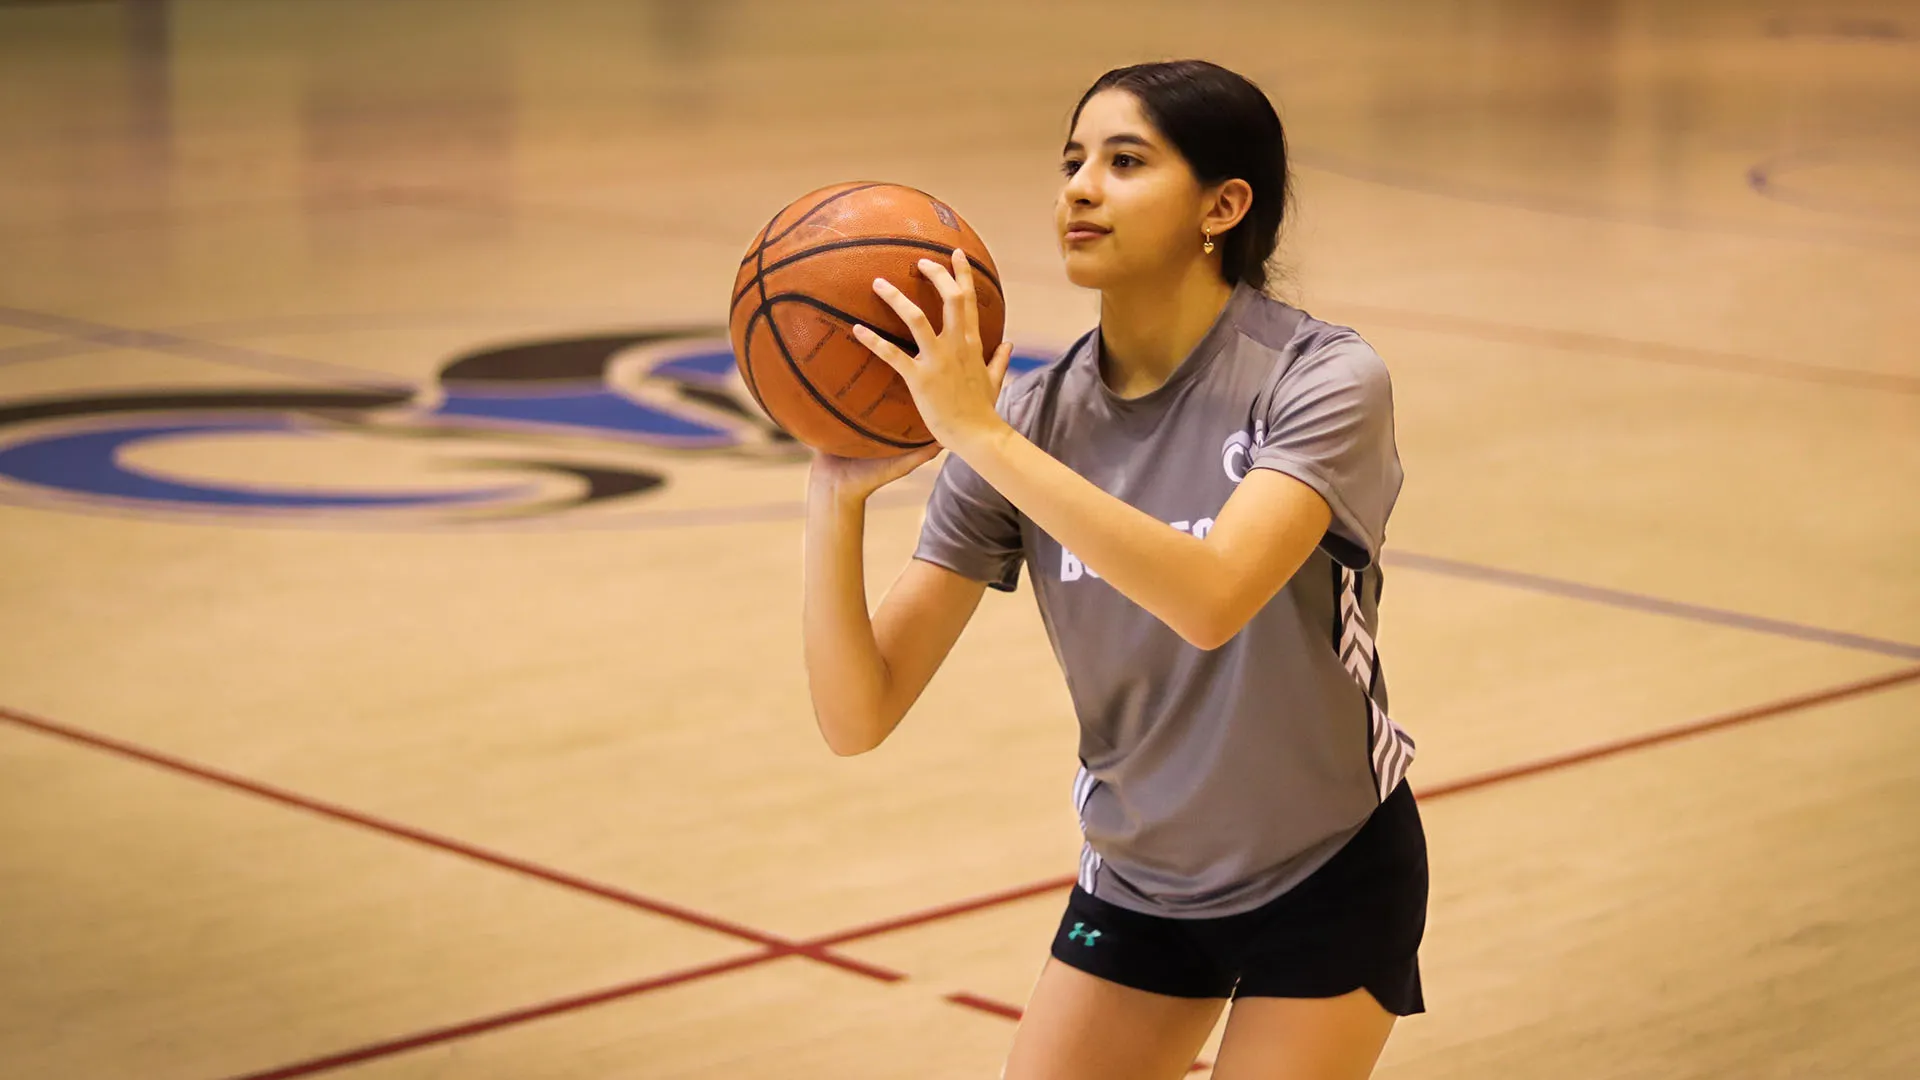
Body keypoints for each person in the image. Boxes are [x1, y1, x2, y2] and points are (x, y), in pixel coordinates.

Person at [803, 59, 1426, 1080]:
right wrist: (834, 497)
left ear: (1223, 205)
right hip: (1140, 880)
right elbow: (856, 713)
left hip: (1327, 867)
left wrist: (978, 436)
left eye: (1125, 161)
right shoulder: (1025, 424)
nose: (1080, 188)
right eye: (1072, 161)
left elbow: (1214, 596)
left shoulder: (1323, 379)